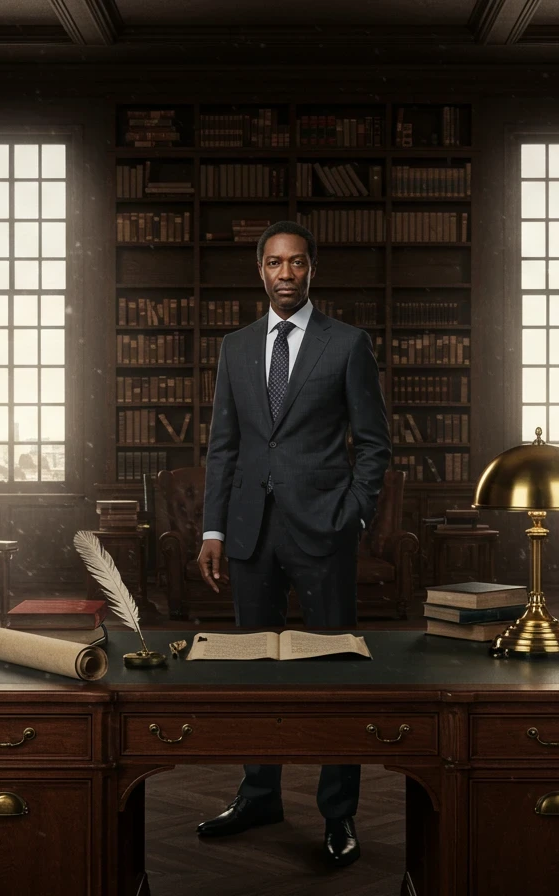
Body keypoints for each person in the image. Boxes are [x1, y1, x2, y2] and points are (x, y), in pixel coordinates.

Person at [195, 220, 391, 868]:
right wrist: (214, 529)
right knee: (255, 673)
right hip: (250, 531)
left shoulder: (347, 344)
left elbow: (374, 442)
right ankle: (259, 795)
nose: (286, 274)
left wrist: (355, 515)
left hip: (322, 529)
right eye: (275, 263)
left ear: (312, 271)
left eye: (297, 263)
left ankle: (339, 816)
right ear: (260, 271)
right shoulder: (236, 347)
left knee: (335, 675)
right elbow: (224, 447)